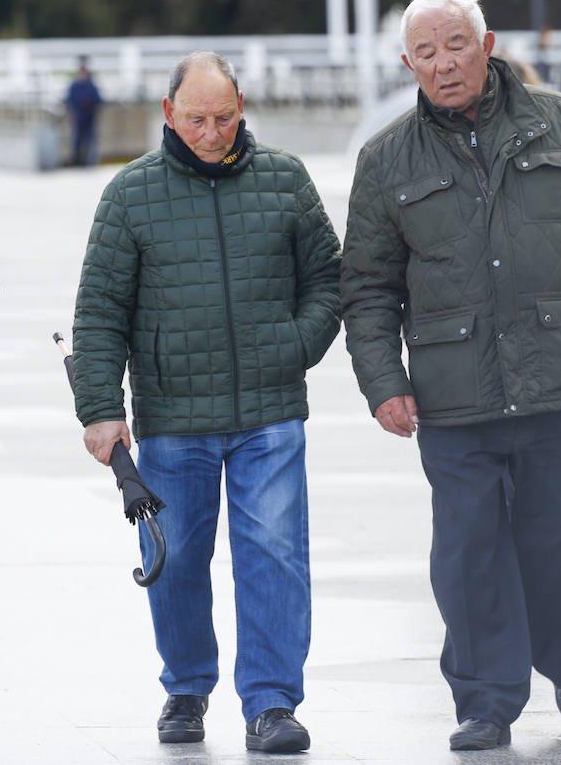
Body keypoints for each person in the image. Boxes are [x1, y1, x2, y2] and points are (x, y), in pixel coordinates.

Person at [339, 0, 561, 751]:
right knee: (468, 555)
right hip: (456, 399)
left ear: (486, 45)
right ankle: (485, 699)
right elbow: (366, 287)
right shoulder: (386, 159)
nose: (444, 63)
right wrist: (385, 382)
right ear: (407, 64)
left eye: (456, 44)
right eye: (426, 52)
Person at [71, 51, 340, 754]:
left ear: (242, 106)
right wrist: (101, 408)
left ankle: (272, 704)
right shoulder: (129, 195)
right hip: (172, 419)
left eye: (224, 117)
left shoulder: (286, 182)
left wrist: (295, 344)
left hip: (270, 412)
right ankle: (186, 688)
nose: (213, 132)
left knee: (276, 555)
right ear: (168, 114)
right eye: (196, 120)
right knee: (178, 556)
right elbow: (99, 313)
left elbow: (329, 281)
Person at [63, 56, 103, 166]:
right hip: (79, 117)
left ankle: (90, 162)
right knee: (77, 141)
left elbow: (98, 100)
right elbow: (69, 100)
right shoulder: (75, 86)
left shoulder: (91, 85)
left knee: (90, 141)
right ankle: (77, 161)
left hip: (89, 117)